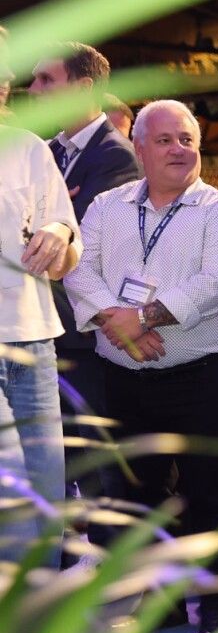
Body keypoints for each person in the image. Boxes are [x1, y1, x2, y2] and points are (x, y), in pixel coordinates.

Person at [63, 100, 218, 633]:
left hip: (202, 377)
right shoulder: (107, 206)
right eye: (165, 140)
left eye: (187, 139)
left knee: (209, 495)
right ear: (139, 148)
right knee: (140, 498)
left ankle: (217, 609)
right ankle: (162, 605)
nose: (178, 149)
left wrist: (141, 317)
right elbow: (80, 270)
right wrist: (120, 325)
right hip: (123, 379)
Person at [29, 44, 140, 546]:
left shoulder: (116, 156)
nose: (33, 90)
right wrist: (48, 221)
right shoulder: (46, 152)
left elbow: (81, 246)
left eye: (45, 80)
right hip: (44, 330)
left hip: (87, 337)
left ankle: (111, 562)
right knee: (58, 459)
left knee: (97, 460)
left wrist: (47, 224)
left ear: (83, 86)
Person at [0, 30, 78, 563]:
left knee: (48, 494)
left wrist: (59, 234)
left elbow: (69, 254)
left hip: (36, 342)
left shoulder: (28, 148)